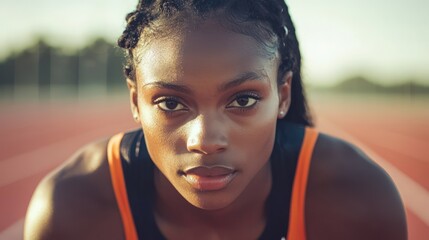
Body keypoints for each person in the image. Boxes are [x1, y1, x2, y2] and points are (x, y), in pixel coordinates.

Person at [24, 0, 407, 239]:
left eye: (242, 99)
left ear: (283, 96)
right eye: (172, 103)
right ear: (136, 101)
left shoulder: (358, 200)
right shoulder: (70, 211)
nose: (205, 140)